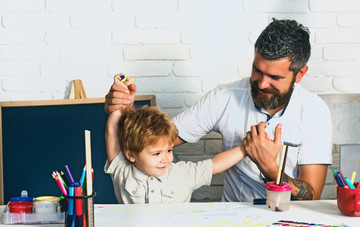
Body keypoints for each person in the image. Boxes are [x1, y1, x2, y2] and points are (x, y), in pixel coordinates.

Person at [104, 18, 332, 202]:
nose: (262, 84)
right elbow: (156, 142)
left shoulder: (314, 111)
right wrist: (123, 112)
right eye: (257, 70)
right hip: (234, 220)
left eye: (274, 77)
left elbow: (312, 195)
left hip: (288, 219)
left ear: (299, 74)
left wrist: (271, 169)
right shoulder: (224, 97)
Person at [105, 104, 246, 203]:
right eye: (156, 154)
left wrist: (245, 148)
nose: (165, 159)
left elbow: (214, 165)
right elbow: (112, 131)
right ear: (131, 155)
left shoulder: (182, 173)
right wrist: (123, 101)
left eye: (169, 150)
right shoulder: (122, 171)